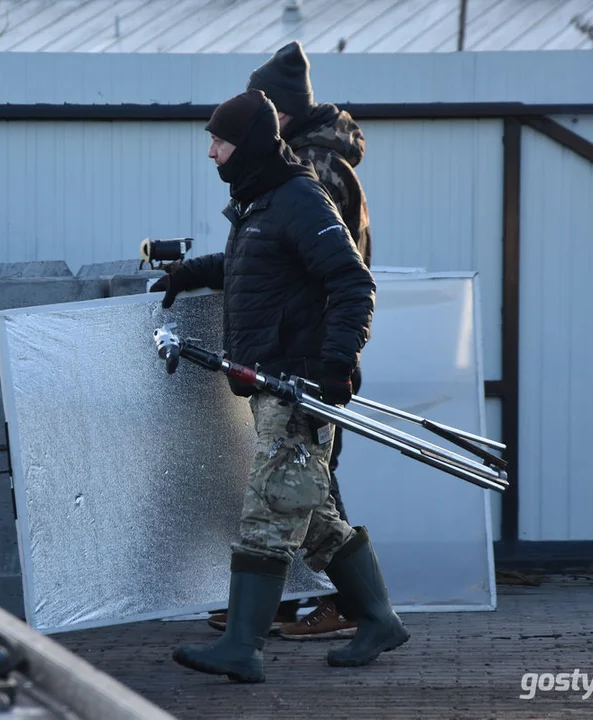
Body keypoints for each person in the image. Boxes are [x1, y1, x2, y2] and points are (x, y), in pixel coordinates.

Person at [150, 89, 408, 683]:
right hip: (272, 386)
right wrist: (190, 271)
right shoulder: (260, 202)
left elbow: (353, 283)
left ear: (251, 145)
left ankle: (243, 647)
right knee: (312, 516)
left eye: (219, 141)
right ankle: (379, 621)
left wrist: (335, 368)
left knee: (267, 511)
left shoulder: (297, 197)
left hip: (302, 387)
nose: (211, 153)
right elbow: (254, 265)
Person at [244, 39, 373, 640]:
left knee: (311, 477)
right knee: (298, 481)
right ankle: (274, 602)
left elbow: (327, 271)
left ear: (283, 112)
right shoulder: (306, 160)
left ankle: (352, 605)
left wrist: (333, 357)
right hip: (305, 344)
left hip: (311, 350)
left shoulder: (312, 171)